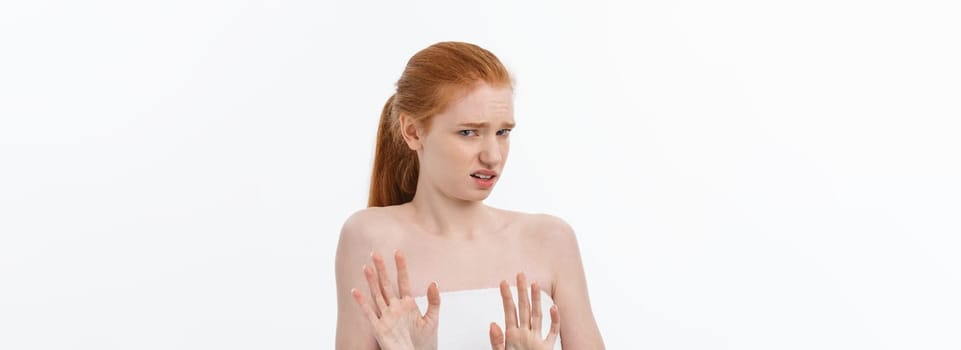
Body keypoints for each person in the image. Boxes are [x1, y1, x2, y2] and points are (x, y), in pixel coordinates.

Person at [334, 41, 605, 349]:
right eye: (469, 132)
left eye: (503, 132)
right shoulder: (371, 239)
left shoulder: (552, 240)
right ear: (412, 132)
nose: (493, 156)